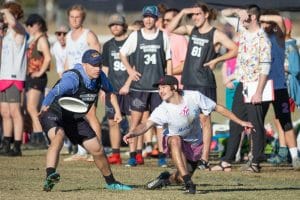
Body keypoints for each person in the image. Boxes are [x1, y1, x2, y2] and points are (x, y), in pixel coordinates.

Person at [123, 75, 253, 194]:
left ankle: (166, 179)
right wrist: (132, 133)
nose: (160, 91)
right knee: (175, 140)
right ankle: (189, 184)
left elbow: (218, 108)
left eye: (163, 87)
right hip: (175, 142)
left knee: (179, 177)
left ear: (174, 88)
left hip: (194, 144)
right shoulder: (162, 109)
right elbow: (146, 125)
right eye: (159, 88)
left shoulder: (194, 96)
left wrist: (241, 122)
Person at [39, 49, 132, 191]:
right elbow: (54, 92)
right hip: (54, 112)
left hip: (74, 118)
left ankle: (112, 182)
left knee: (97, 149)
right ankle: (50, 176)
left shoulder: (100, 77)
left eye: (99, 65)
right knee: (58, 137)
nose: (98, 68)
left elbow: (110, 93)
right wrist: (44, 106)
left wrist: (117, 112)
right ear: (84, 65)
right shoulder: (73, 78)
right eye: (94, 65)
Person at [167, 2, 238, 170]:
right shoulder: (191, 30)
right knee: (186, 118)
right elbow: (169, 28)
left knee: (204, 119)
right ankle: (189, 155)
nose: (195, 17)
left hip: (204, 82)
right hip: (189, 81)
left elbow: (234, 49)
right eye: (193, 15)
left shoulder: (215, 34)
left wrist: (216, 60)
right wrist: (183, 10)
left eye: (198, 14)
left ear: (206, 15)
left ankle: (204, 158)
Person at [211, 5, 272, 173]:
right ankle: (227, 160)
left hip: (255, 86)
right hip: (242, 84)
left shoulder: (262, 39)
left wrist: (258, 91)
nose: (240, 20)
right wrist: (238, 11)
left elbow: (265, 69)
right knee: (235, 121)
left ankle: (256, 161)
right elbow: (223, 13)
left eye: (246, 16)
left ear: (252, 18)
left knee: (255, 125)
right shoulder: (244, 31)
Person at [120, 5, 172, 167]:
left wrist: (169, 82)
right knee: (135, 123)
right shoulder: (136, 35)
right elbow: (122, 53)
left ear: (156, 19)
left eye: (151, 17)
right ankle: (133, 155)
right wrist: (130, 70)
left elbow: (168, 59)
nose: (148, 20)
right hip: (139, 88)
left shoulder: (163, 36)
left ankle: (162, 155)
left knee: (160, 123)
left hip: (158, 89)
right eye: (146, 17)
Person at [259, 13, 300, 170]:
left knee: (285, 121)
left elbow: (295, 69)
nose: (263, 25)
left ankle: (294, 156)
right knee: (258, 121)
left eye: (267, 22)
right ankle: (256, 156)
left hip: (281, 88)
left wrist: (264, 17)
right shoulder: (260, 38)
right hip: (263, 87)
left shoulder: (283, 41)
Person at [64, 4, 101, 161]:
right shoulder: (67, 36)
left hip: (88, 81)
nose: (74, 19)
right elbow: (67, 59)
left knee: (90, 114)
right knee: (75, 115)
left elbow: (97, 56)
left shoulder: (88, 35)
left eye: (77, 17)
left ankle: (97, 149)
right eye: (72, 17)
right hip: (73, 81)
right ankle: (81, 151)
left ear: (82, 18)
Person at [102, 13, 131, 165]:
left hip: (130, 88)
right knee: (113, 121)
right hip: (112, 90)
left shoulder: (131, 42)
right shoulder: (107, 45)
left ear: (124, 26)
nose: (115, 27)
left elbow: (134, 67)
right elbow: (105, 68)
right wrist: (102, 88)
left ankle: (134, 154)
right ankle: (116, 154)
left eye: (118, 24)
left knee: (133, 122)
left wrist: (129, 83)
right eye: (112, 25)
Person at [0, 2, 27, 156]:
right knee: (4, 111)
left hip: (14, 76)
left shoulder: (20, 30)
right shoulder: (6, 33)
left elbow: (13, 23)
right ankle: (6, 142)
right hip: (4, 75)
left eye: (7, 14)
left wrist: (4, 10)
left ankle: (17, 145)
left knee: (15, 111)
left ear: (14, 14)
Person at [25, 13, 51, 149]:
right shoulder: (33, 39)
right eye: (27, 24)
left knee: (31, 107)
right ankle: (36, 137)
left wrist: (40, 72)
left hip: (38, 78)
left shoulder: (41, 39)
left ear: (39, 25)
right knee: (32, 108)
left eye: (31, 24)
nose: (28, 27)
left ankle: (40, 137)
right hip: (31, 76)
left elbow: (47, 58)